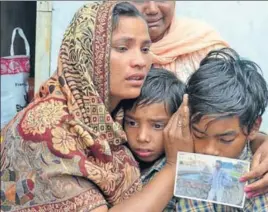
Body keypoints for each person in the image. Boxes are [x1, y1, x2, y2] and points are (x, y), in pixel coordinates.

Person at [0, 2, 179, 211]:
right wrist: (173, 167)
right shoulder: (43, 132)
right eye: (123, 48)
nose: (140, 61)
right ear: (86, 53)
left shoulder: (114, 117)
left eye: (145, 49)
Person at [130, 1, 268, 196]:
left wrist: (263, 143)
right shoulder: (103, 54)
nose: (152, 9)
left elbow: (236, 115)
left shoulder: (204, 48)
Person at [175, 47, 268, 211]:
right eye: (198, 134)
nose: (209, 150)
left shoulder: (261, 175)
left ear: (253, 127)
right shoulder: (172, 163)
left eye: (225, 139)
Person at [122, 67, 189, 211]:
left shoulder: (187, 169)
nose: (142, 137)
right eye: (132, 123)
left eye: (157, 126)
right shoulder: (116, 159)